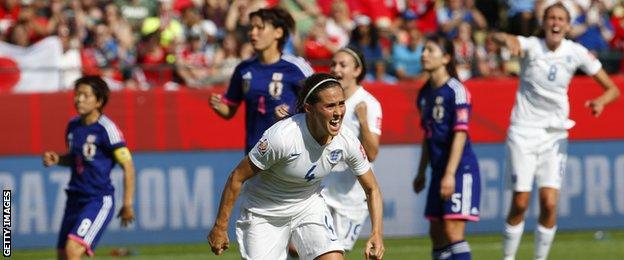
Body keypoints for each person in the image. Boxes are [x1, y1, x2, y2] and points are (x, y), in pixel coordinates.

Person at [207, 73, 385, 260]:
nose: (338, 112)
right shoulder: (282, 137)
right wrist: (220, 226)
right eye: (330, 106)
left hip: (308, 206)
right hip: (264, 212)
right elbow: (237, 177)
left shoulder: (346, 140)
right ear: (309, 108)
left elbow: (372, 188)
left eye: (341, 103)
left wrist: (376, 233)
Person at [492, 3, 620, 260]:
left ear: (568, 25)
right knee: (520, 202)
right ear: (544, 22)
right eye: (551, 18)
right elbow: (497, 36)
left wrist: (600, 102)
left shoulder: (576, 52)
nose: (555, 23)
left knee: (550, 203)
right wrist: (506, 39)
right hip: (523, 131)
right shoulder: (531, 46)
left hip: (555, 135)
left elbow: (613, 89)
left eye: (561, 19)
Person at [42, 76, 136, 259]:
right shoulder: (73, 126)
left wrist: (127, 203)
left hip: (98, 199)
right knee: (62, 254)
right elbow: (76, 159)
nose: (79, 99)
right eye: (77, 94)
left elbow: (128, 166)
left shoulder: (107, 129)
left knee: (73, 249)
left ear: (99, 101)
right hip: (74, 199)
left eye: (85, 95)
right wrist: (58, 159)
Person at [413, 35, 481, 260]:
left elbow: (460, 133)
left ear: (446, 57)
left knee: (453, 231)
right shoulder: (424, 94)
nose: (424, 54)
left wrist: (450, 174)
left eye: (430, 50)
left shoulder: (456, 90)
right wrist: (422, 171)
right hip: (437, 170)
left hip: (460, 169)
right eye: (423, 50)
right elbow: (427, 133)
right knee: (437, 233)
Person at [210, 7, 313, 154]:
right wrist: (217, 105)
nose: (252, 32)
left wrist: (294, 113)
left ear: (278, 32)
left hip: (291, 153)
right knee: (235, 177)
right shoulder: (243, 69)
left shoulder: (296, 67)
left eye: (260, 27)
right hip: (255, 154)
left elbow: (319, 100)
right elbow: (229, 110)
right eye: (251, 28)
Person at [321, 47, 383, 253]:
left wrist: (363, 120)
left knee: (332, 255)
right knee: (297, 249)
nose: (335, 69)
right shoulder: (325, 102)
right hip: (321, 191)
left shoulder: (368, 103)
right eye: (333, 64)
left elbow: (372, 153)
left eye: (342, 65)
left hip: (351, 200)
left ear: (357, 71)